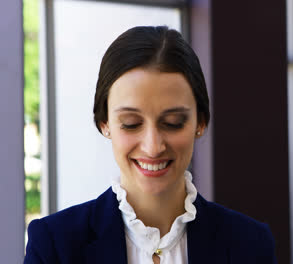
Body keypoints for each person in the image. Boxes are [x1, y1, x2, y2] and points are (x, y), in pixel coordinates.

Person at [24, 26, 277, 264]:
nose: (153, 146)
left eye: (173, 122)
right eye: (131, 123)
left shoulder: (250, 244)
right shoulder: (54, 245)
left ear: (200, 122)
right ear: (104, 123)